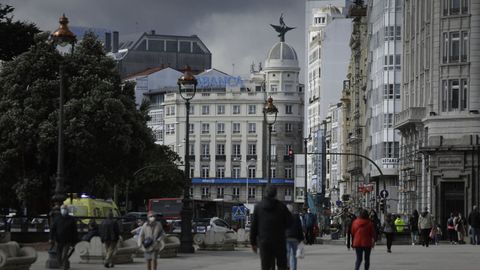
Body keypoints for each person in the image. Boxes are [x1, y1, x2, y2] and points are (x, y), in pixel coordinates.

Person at [250, 185, 292, 270]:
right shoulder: (281, 206)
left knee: (266, 265)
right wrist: (282, 227)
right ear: (275, 194)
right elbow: (290, 222)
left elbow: (253, 226)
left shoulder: (258, 207)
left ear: (266, 193)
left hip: (264, 241)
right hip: (279, 241)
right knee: (282, 265)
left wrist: (253, 242)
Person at [49, 205, 78, 270]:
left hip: (67, 240)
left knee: (64, 255)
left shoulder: (71, 219)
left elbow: (74, 231)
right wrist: (51, 238)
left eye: (65, 209)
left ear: (67, 210)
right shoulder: (57, 218)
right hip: (58, 240)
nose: (63, 210)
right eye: (62, 209)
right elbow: (52, 229)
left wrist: (75, 241)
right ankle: (62, 265)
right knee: (58, 255)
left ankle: (63, 267)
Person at [285, 204, 304, 270]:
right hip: (295, 238)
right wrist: (301, 238)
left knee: (287, 253)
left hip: (286, 238)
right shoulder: (296, 217)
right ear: (292, 210)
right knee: (293, 255)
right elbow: (299, 228)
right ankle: (293, 268)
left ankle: (287, 266)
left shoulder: (283, 217)